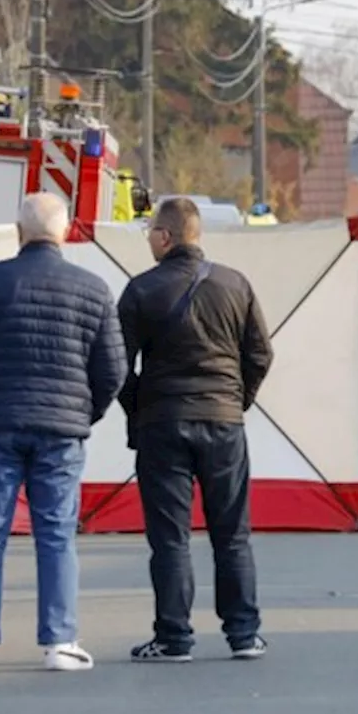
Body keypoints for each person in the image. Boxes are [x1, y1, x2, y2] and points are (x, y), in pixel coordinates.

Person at [0, 192, 127, 674]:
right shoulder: (93, 288)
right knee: (57, 534)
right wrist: (85, 412)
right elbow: (113, 369)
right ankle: (60, 641)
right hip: (62, 430)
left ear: (19, 231)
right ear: (65, 231)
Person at [118, 197, 274, 663]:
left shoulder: (141, 290)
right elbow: (260, 355)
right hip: (224, 423)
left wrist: (142, 407)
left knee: (170, 537)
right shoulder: (234, 284)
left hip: (163, 424)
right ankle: (244, 635)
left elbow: (117, 365)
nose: (148, 239)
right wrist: (235, 400)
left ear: (166, 237)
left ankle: (174, 637)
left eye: (150, 231)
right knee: (232, 534)